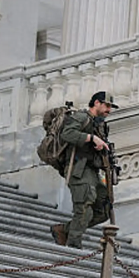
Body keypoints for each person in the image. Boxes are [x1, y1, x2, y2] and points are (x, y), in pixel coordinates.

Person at [50, 91, 117, 249]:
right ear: (96, 103)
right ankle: (74, 245)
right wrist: (91, 138)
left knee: (104, 209)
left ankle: (64, 230)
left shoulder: (100, 125)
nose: (109, 110)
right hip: (79, 169)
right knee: (85, 208)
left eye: (110, 107)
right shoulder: (81, 117)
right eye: (106, 105)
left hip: (93, 171)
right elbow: (67, 134)